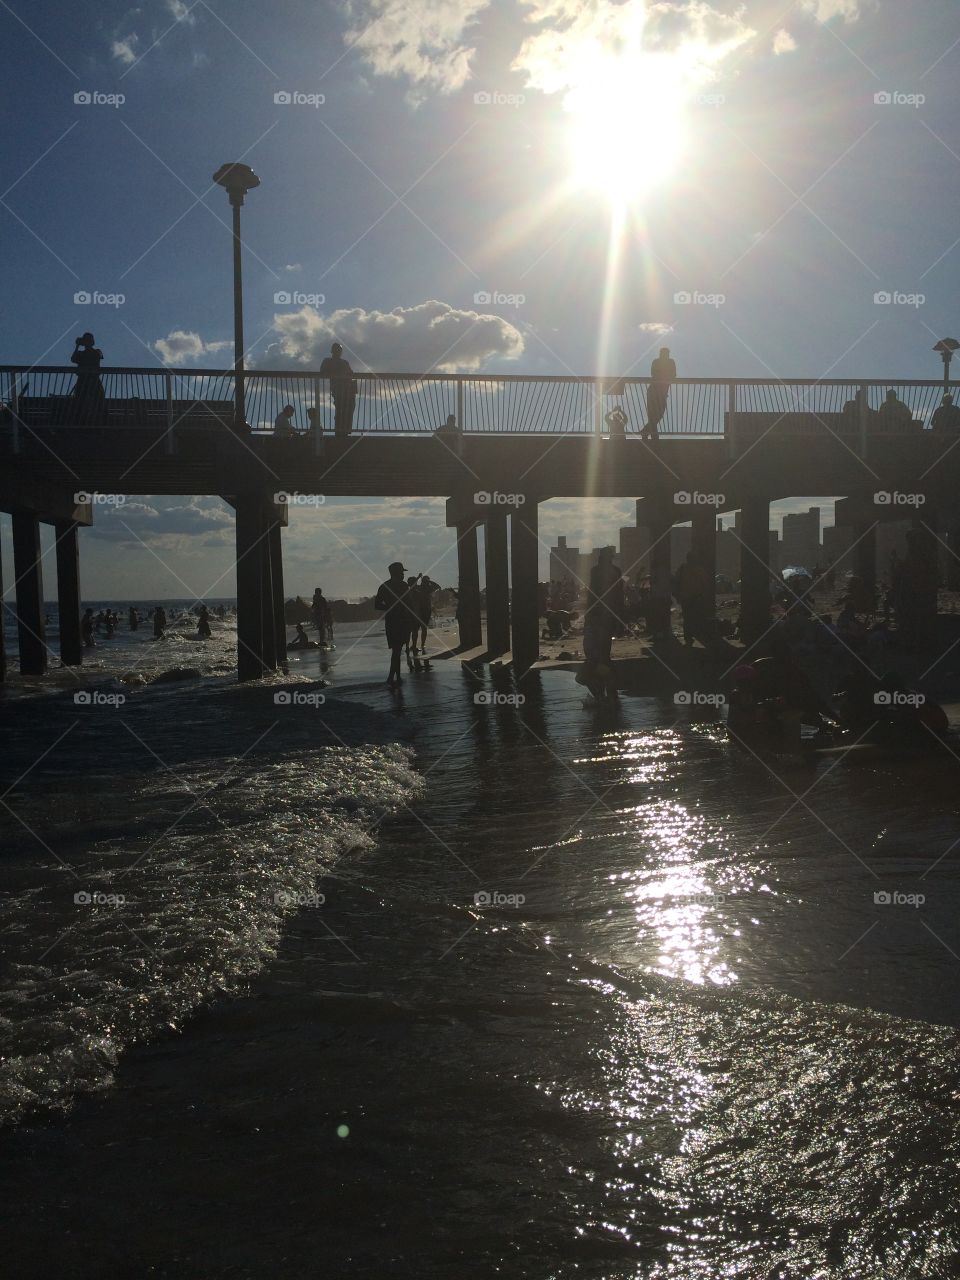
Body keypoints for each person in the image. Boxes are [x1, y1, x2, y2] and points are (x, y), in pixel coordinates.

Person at [375, 561, 415, 686]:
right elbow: (410, 604)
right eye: (402, 572)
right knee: (398, 650)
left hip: (391, 621)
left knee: (396, 650)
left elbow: (377, 605)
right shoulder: (403, 586)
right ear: (397, 573)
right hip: (402, 621)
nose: (403, 574)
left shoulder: (384, 586)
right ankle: (393, 677)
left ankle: (395, 676)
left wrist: (389, 607)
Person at [673, 551, 711, 647]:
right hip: (696, 598)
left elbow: (676, 583)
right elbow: (705, 585)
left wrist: (677, 595)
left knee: (688, 619)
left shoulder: (682, 569)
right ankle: (694, 635)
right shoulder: (699, 570)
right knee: (694, 617)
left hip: (687, 598)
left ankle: (689, 638)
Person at [319, 342, 357, 437]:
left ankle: (346, 430)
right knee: (340, 409)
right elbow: (323, 372)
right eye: (337, 350)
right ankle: (339, 431)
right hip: (338, 388)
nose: (338, 352)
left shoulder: (345, 362)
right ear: (332, 351)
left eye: (340, 350)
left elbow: (351, 373)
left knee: (349, 408)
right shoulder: (328, 361)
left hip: (348, 389)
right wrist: (337, 373)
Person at [641, 347, 676, 441]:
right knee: (654, 415)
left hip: (660, 392)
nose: (665, 355)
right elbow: (654, 374)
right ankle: (652, 436)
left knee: (657, 415)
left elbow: (672, 375)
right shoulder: (658, 362)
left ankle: (647, 432)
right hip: (655, 391)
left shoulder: (669, 362)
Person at [70, 332, 104, 424]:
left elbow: (99, 356)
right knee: (79, 401)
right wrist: (77, 346)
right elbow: (73, 359)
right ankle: (80, 420)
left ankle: (101, 420)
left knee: (99, 399)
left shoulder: (97, 352)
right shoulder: (82, 353)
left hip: (93, 380)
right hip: (83, 380)